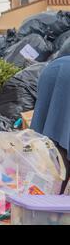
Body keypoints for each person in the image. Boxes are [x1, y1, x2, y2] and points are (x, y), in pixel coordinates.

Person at [31, 55, 70, 194]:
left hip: (53, 70)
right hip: (61, 74)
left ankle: (46, 200)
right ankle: (53, 203)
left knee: (53, 138)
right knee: (64, 139)